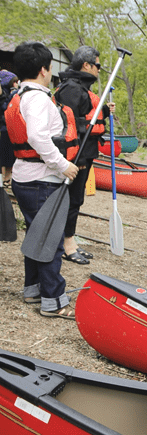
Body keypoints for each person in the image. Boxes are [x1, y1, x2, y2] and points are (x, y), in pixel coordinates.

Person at [6, 41, 79, 319]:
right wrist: (63, 166)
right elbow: (37, 137)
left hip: (27, 177)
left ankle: (33, 288)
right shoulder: (36, 98)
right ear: (43, 70)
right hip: (41, 180)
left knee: (37, 234)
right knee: (50, 238)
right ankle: (53, 300)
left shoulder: (21, 94)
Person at [53, 45, 113, 264]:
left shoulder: (80, 88)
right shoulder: (72, 89)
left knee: (76, 199)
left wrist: (103, 111)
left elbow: (86, 116)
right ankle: (66, 244)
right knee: (72, 199)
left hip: (83, 154)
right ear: (86, 65)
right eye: (97, 65)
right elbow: (70, 125)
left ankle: (70, 240)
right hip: (74, 156)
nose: (98, 70)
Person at [0, 69, 19, 187]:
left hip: (8, 128)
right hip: (4, 129)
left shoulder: (10, 94)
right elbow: (6, 108)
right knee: (4, 155)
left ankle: (7, 178)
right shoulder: (5, 95)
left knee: (8, 156)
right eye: (15, 82)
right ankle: (4, 178)